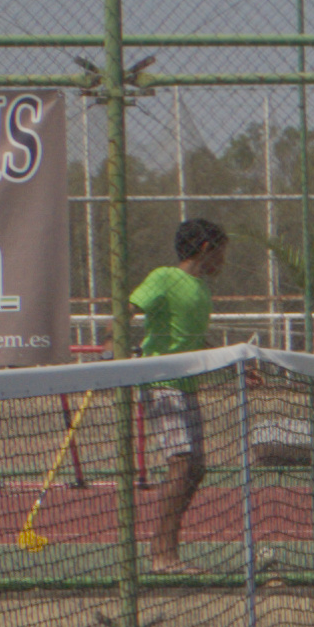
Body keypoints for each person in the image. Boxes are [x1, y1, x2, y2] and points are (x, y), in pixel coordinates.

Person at [128, 218, 227, 566]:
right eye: (221, 252)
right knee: (182, 463)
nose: (224, 261)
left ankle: (165, 547)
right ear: (206, 249)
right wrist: (112, 347)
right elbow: (127, 311)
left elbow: (194, 338)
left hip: (187, 386)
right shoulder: (164, 277)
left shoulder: (202, 289)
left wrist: (235, 363)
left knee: (196, 469)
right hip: (161, 384)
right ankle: (163, 555)